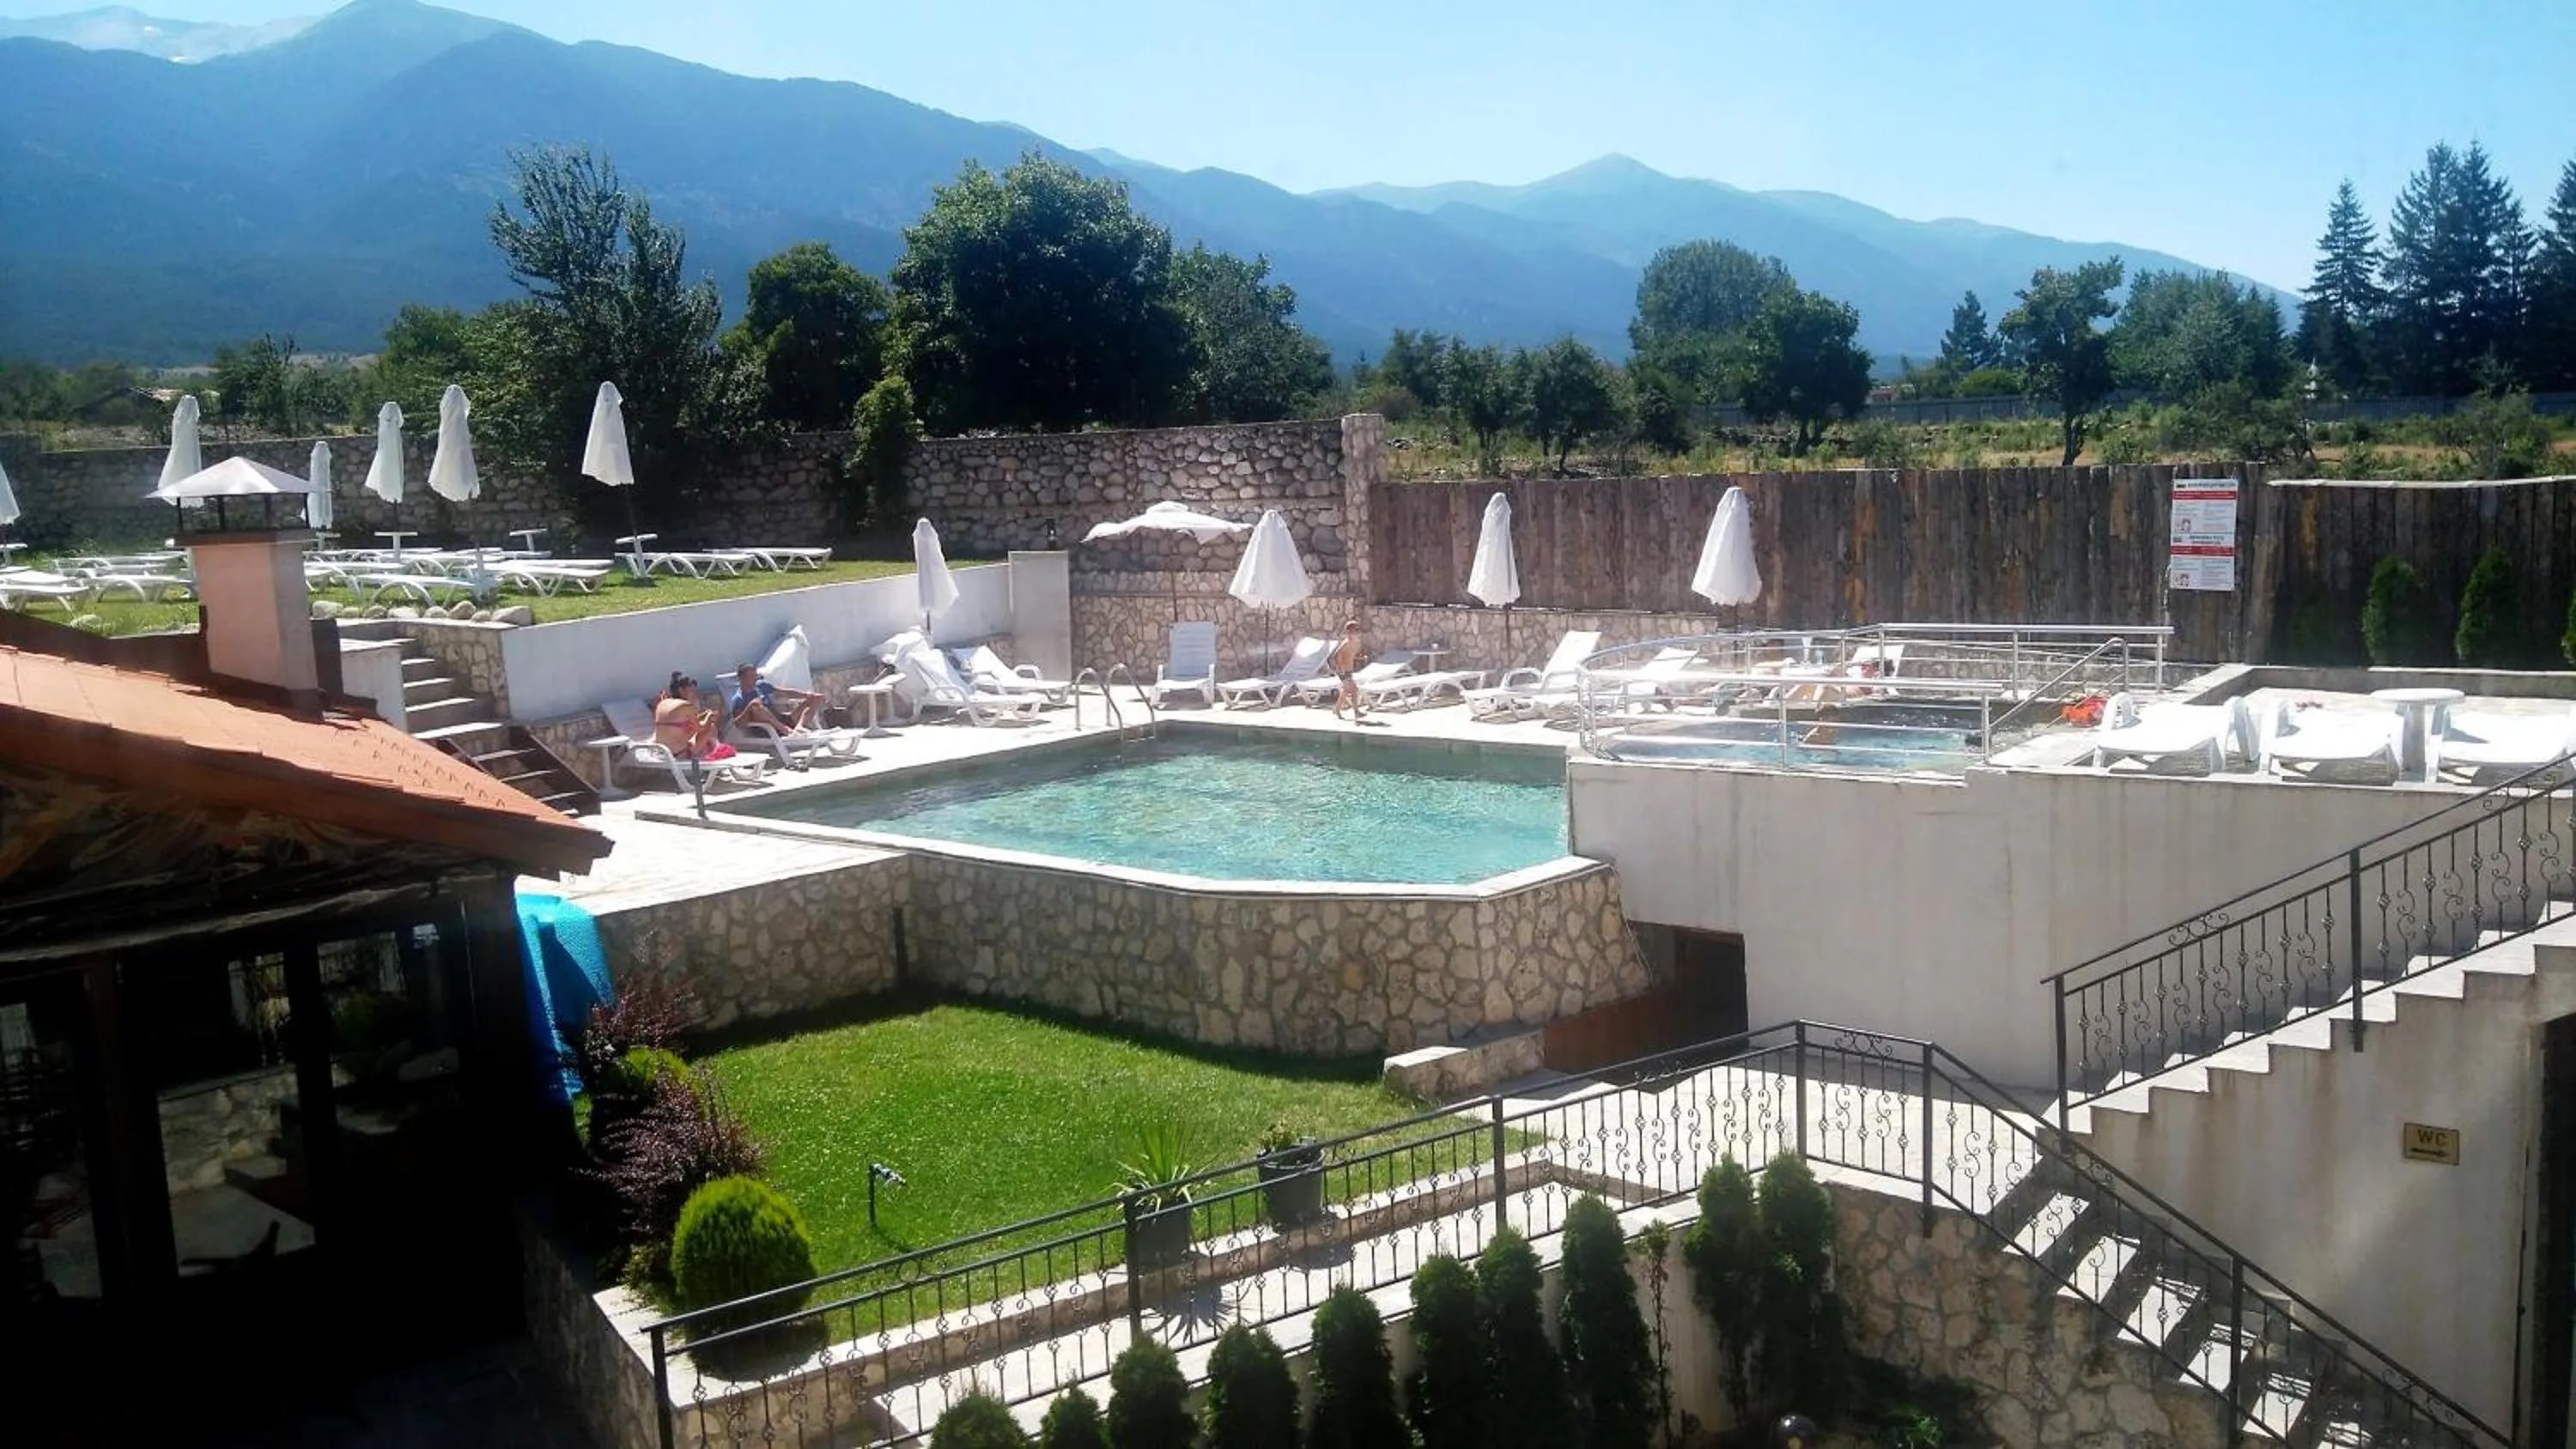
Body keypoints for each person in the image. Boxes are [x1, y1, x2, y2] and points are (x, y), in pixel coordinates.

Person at [653, 672, 735, 761]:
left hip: (661, 752)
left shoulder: (663, 704)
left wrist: (702, 716)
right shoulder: (686, 706)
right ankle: (710, 756)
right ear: (681, 690)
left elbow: (679, 726)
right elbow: (701, 727)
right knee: (711, 727)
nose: (694, 689)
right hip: (679, 754)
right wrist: (709, 715)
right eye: (691, 686)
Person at [727, 662, 821, 732]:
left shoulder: (761, 685)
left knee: (814, 700)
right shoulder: (738, 699)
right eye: (751, 676)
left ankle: (799, 727)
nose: (755, 678)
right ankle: (786, 730)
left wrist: (807, 695)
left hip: (782, 720)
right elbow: (738, 724)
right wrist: (749, 708)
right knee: (757, 707)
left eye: (755, 675)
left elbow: (784, 692)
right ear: (742, 678)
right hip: (767, 729)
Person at [1327, 617, 1366, 721]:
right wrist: (1340, 668)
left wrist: (1360, 658)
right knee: (1354, 690)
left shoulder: (1355, 642)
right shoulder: (1346, 642)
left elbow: (1349, 655)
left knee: (1346, 691)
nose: (1357, 632)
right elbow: (1336, 655)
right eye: (1355, 630)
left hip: (1349, 669)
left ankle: (1336, 709)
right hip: (1343, 670)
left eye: (1357, 630)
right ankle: (1356, 712)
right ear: (1349, 631)